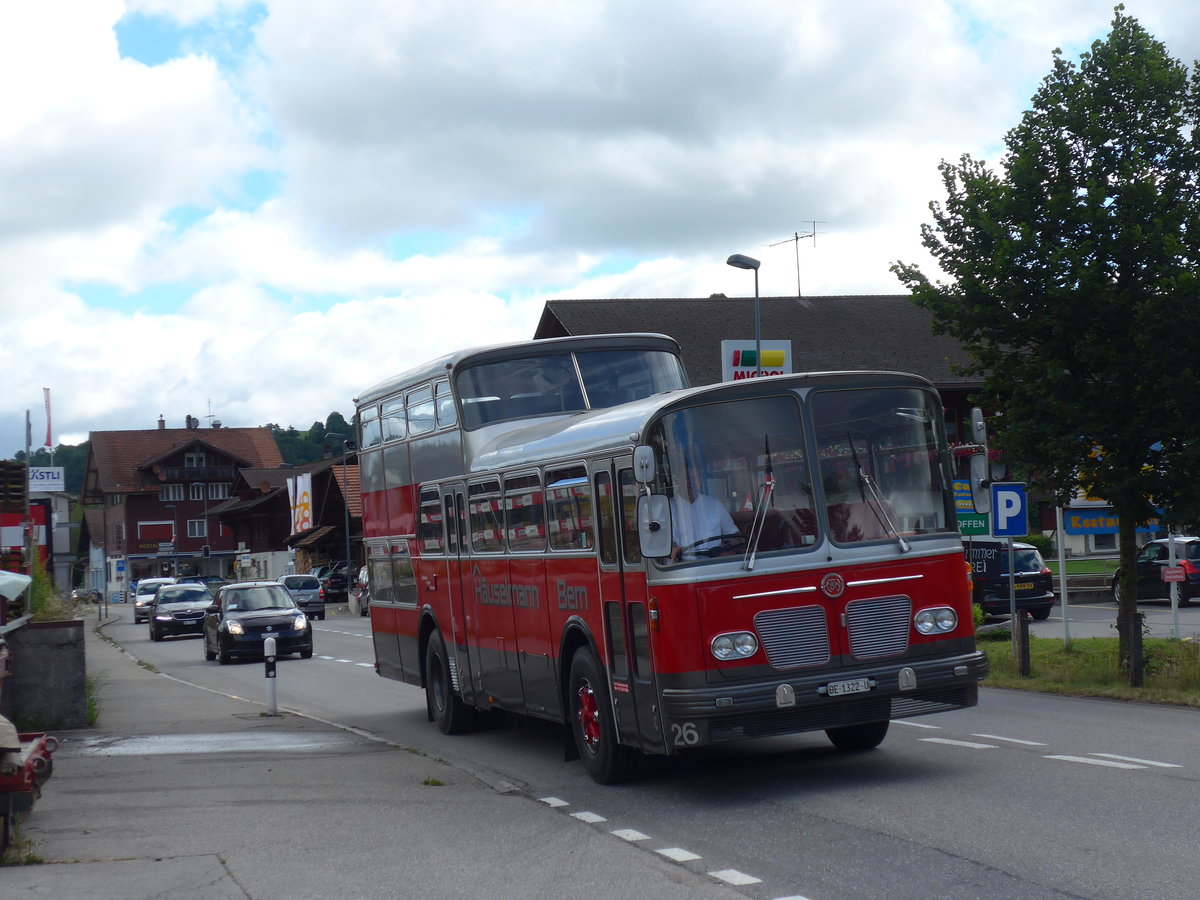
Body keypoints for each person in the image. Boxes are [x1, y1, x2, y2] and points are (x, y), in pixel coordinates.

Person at [670, 461, 737, 560]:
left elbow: (733, 534)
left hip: (715, 563)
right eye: (687, 478)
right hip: (682, 566)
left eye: (695, 478)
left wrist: (737, 542)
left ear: (700, 479)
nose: (691, 482)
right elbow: (663, 543)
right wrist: (673, 549)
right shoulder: (668, 507)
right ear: (677, 480)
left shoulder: (715, 504)